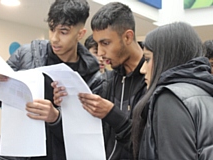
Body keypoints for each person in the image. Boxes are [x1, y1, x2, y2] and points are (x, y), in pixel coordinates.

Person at [0, 0, 102, 159]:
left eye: (63, 32)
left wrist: (55, 118)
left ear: (80, 34)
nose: (55, 38)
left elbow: (87, 138)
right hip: (12, 154)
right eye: (52, 29)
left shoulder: (92, 77)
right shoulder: (26, 54)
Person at [53, 2, 146, 159]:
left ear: (128, 37)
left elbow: (151, 146)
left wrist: (113, 115)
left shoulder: (154, 80)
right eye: (97, 44)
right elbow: (84, 134)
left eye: (105, 43)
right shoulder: (106, 81)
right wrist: (65, 106)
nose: (101, 52)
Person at [132, 22, 213, 160]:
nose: (142, 69)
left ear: (167, 58)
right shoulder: (204, 92)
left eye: (147, 59)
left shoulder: (170, 98)